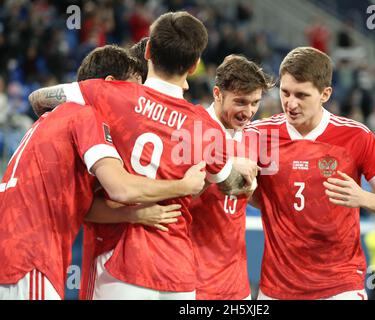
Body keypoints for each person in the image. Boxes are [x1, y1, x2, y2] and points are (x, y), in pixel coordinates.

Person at [28, 11, 257, 300]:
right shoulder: (203, 126)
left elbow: (39, 99)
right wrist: (244, 175)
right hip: (179, 271)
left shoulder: (109, 94)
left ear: (147, 50)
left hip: (124, 260)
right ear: (194, 65)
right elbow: (232, 185)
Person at [0, 51, 206, 299]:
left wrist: (132, 214)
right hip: (27, 258)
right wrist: (184, 186)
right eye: (133, 91)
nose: (137, 103)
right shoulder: (86, 116)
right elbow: (121, 188)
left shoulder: (52, 119)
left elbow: (83, 207)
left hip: (18, 252)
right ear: (109, 86)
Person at [245, 46, 375, 300]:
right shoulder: (258, 135)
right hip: (278, 288)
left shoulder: (356, 137)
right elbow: (250, 192)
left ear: (325, 94)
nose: (291, 103)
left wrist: (363, 198)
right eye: (285, 92)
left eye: (302, 95)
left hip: (340, 286)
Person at [189, 54, 273, 300]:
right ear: (217, 93)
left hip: (236, 282)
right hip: (191, 277)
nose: (248, 112)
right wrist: (224, 165)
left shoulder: (255, 136)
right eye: (240, 102)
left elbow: (258, 197)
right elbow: (177, 195)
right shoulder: (190, 126)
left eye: (255, 103)